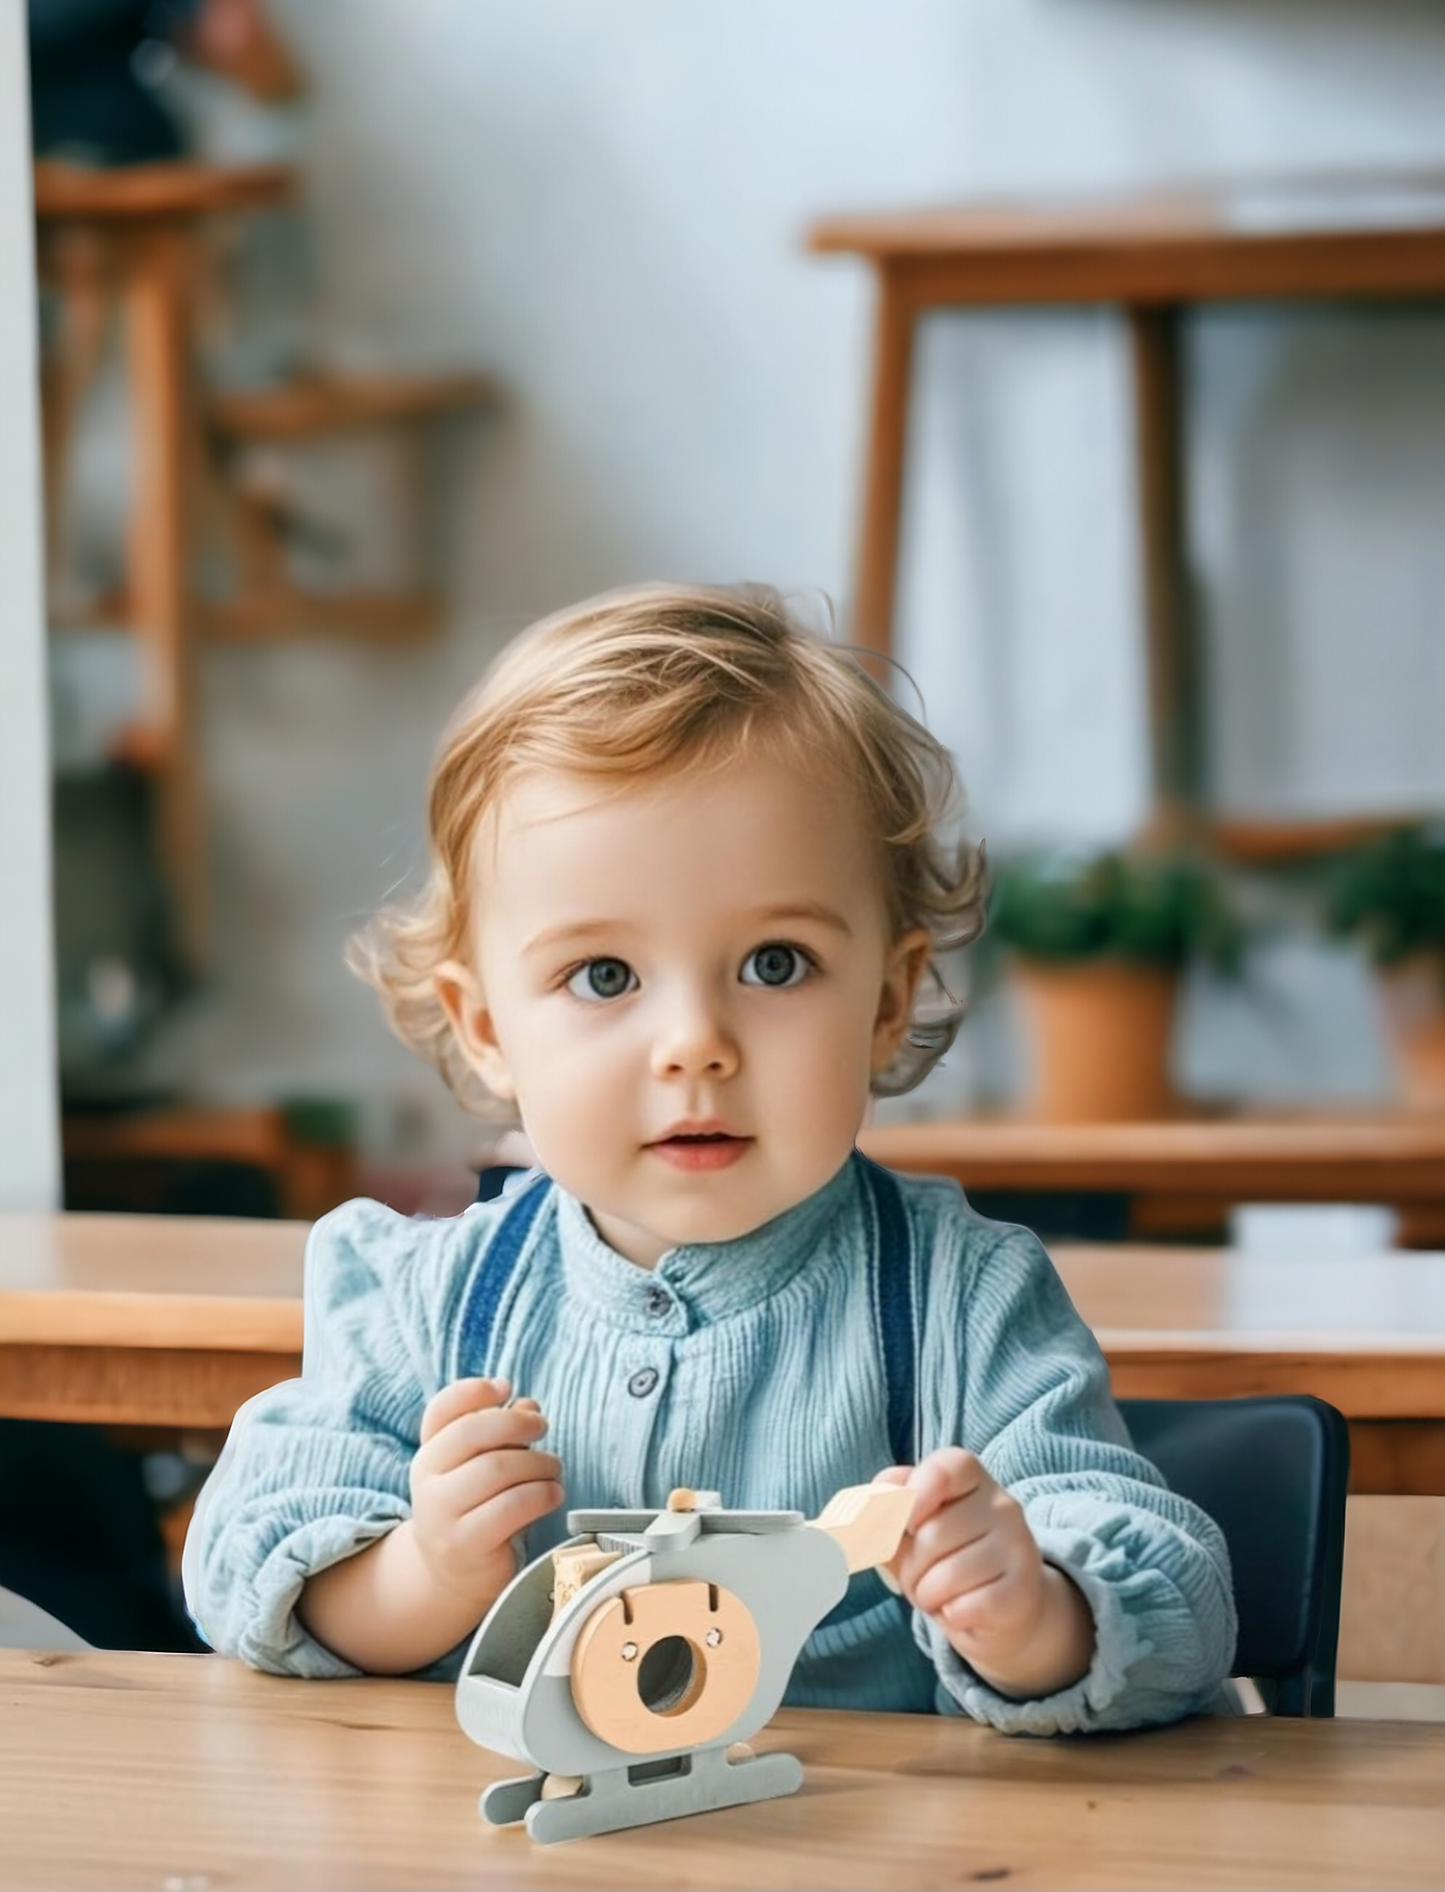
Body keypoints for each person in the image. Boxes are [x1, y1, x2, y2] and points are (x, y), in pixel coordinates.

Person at [183, 584, 1235, 1730]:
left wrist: (1032, 1611)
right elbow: (246, 1562)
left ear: (885, 1003)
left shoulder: (959, 1298)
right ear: (485, 1027)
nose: (695, 1045)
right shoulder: (412, 1302)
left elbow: (1173, 1592)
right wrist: (422, 1575)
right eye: (603, 975)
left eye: (774, 964)